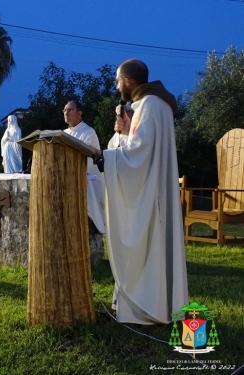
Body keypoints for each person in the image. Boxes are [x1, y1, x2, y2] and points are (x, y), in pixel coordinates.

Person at [92, 59, 188, 325]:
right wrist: (122, 135)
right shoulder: (155, 105)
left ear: (129, 81)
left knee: (147, 244)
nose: (116, 84)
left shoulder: (148, 105)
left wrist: (105, 158)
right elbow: (136, 146)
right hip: (153, 189)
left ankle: (146, 307)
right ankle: (149, 303)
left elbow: (139, 154)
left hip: (148, 193)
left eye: (117, 80)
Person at [63, 100, 106, 265]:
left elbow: (88, 159)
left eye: (70, 110)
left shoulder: (88, 132)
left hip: (87, 181)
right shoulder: (63, 133)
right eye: (65, 110)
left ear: (80, 113)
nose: (66, 113)